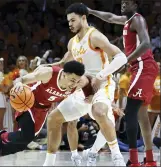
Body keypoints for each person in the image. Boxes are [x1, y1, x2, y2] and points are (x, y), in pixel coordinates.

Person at [43, 3, 128, 166]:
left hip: (103, 85)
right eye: (68, 21)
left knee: (100, 113)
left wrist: (101, 76)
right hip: (82, 88)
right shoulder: (72, 43)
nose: (70, 24)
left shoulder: (94, 36)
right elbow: (61, 64)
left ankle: (117, 158)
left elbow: (121, 58)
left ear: (83, 18)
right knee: (53, 118)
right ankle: (48, 163)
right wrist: (42, 70)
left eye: (73, 20)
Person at [87, 0, 158, 166]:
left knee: (130, 113)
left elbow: (146, 43)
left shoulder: (137, 19)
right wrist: (90, 11)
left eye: (128, 2)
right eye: (122, 2)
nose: (123, 4)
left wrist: (126, 59)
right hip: (139, 67)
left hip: (143, 65)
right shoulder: (128, 20)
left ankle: (133, 160)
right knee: (141, 116)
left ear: (136, 5)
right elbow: (110, 17)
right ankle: (150, 159)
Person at [0, 60, 86, 167]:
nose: (74, 84)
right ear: (63, 74)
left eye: (77, 81)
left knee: (21, 145)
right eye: (72, 80)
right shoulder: (48, 74)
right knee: (26, 135)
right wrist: (19, 84)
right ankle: (2, 135)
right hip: (29, 101)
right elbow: (21, 79)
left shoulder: (78, 84)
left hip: (43, 109)